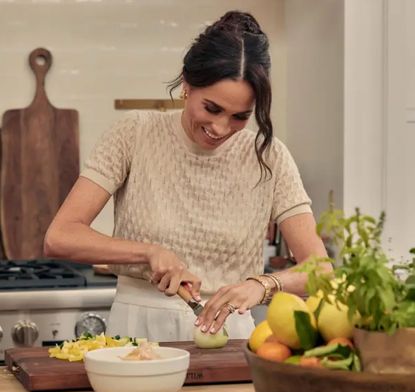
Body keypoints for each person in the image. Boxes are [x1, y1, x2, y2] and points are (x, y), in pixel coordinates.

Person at [44, 10, 328, 341]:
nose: (221, 128)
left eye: (240, 117)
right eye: (212, 108)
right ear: (186, 85)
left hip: (230, 335)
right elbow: (60, 236)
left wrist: (262, 285)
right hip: (138, 331)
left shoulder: (270, 157)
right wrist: (148, 252)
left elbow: (320, 271)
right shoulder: (134, 134)